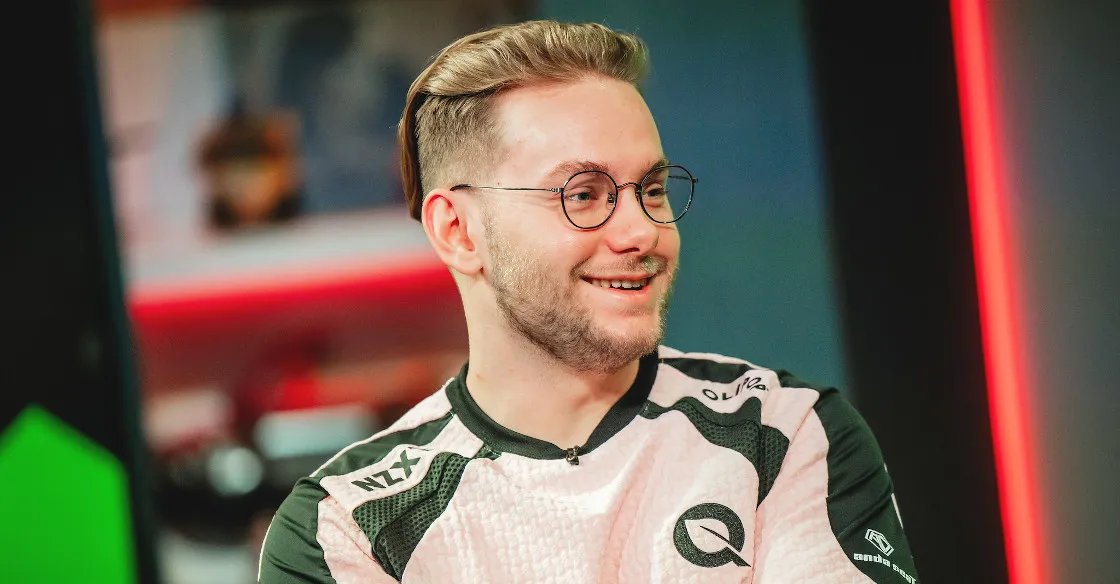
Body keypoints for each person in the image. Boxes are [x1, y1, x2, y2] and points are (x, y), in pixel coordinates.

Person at [258, 20, 920, 583]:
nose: (642, 232)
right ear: (458, 230)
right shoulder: (344, 526)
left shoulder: (786, 431)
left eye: (651, 190)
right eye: (583, 194)